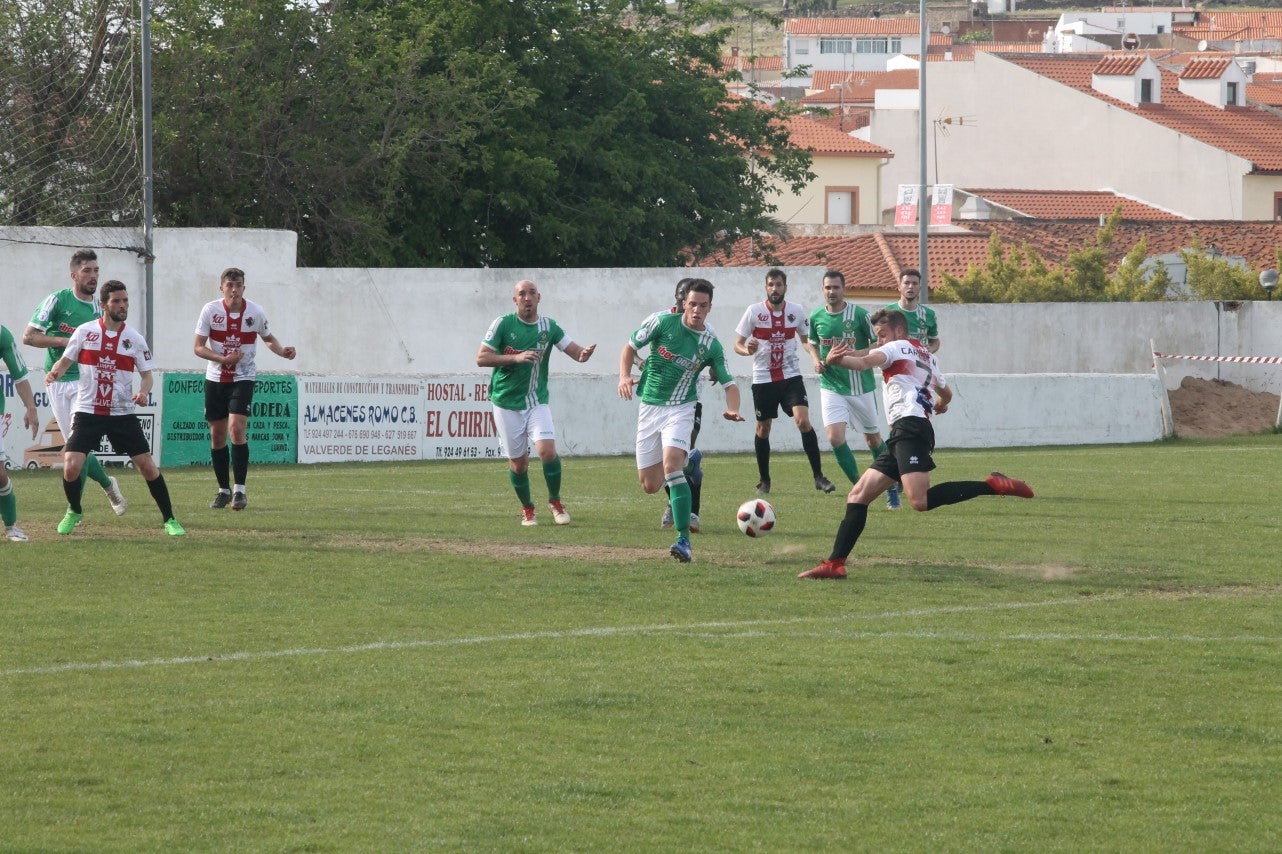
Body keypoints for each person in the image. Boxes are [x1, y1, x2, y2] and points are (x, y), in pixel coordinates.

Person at [799, 309, 1032, 579]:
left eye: (882, 335)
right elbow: (947, 393)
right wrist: (940, 403)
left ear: (899, 331)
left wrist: (837, 360)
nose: (879, 341)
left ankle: (992, 485)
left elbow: (863, 363)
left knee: (920, 500)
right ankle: (834, 564)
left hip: (910, 428)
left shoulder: (895, 347)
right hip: (906, 431)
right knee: (858, 495)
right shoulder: (929, 356)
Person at [44, 281, 185, 537]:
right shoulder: (85, 332)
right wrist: (55, 373)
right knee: (71, 465)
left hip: (121, 413)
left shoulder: (134, 339)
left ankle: (170, 519)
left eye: (125, 300)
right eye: (117, 301)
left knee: (147, 466)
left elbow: (147, 376)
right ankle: (74, 510)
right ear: (104, 305)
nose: (123, 306)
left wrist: (143, 392)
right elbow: (65, 361)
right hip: (88, 411)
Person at [620, 278, 743, 563]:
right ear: (683, 303)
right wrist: (624, 376)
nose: (697, 310)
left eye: (703, 305)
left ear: (710, 307)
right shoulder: (662, 322)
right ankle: (691, 462)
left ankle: (683, 540)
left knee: (671, 466)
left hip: (682, 408)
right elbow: (628, 348)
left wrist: (733, 408)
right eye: (692, 304)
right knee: (650, 485)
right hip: (650, 407)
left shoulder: (710, 343)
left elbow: (729, 382)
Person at [477, 279, 596, 526]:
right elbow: (482, 358)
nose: (527, 297)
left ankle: (555, 502)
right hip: (505, 403)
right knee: (519, 464)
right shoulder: (503, 324)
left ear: (539, 298)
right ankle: (527, 508)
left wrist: (583, 355)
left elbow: (575, 351)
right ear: (515, 300)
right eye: (522, 294)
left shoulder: (549, 327)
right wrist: (515, 358)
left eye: (532, 293)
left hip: (536, 401)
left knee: (547, 451)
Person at [23, 249, 129, 516]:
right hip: (58, 381)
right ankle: (108, 484)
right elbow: (29, 336)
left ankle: (74, 511)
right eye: (87, 271)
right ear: (74, 275)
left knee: (77, 447)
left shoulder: (100, 308)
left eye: (96, 271)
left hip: (86, 382)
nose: (93, 276)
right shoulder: (57, 301)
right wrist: (67, 342)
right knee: (76, 447)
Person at [193, 267, 297, 510]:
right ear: (221, 288)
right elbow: (198, 347)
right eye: (229, 285)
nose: (234, 289)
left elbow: (268, 337)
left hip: (243, 377)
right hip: (215, 378)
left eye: (238, 285)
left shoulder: (255, 312)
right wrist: (222, 359)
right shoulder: (210, 310)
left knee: (236, 429)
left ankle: (240, 490)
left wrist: (282, 351)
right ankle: (223, 490)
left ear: (244, 288)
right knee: (217, 435)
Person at [734, 268, 834, 495]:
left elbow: (806, 341)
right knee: (764, 427)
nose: (775, 289)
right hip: (763, 378)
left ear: (785, 287)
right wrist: (747, 349)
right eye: (771, 285)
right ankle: (764, 480)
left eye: (779, 285)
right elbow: (737, 344)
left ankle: (819, 477)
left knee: (803, 421)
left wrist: (815, 358)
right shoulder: (754, 311)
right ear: (766, 287)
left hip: (791, 376)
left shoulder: (796, 311)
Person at [808, 270, 901, 510]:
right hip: (831, 385)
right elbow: (812, 343)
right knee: (834, 438)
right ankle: (860, 488)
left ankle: (891, 487)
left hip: (860, 386)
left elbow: (878, 342)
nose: (832, 292)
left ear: (844, 288)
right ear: (822, 290)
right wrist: (816, 361)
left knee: (873, 439)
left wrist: (856, 354)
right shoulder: (816, 316)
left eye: (836, 287)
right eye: (828, 287)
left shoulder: (859, 315)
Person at [643, 278, 707, 534]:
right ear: (678, 297)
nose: (686, 303)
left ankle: (690, 514)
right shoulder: (658, 321)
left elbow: (712, 357)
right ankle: (677, 496)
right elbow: (633, 349)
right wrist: (639, 366)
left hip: (689, 403)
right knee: (666, 466)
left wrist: (716, 371)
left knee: (674, 459)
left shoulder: (703, 327)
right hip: (657, 403)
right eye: (682, 296)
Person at [0, 324, 39, 541]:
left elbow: (20, 376)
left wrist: (31, 407)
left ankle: (11, 526)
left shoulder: (1, 334)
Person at [885, 268, 940, 353]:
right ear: (899, 287)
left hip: (919, 360)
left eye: (914, 283)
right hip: (895, 359)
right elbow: (879, 340)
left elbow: (934, 340)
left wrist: (931, 349)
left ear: (919, 288)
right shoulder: (887, 312)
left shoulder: (929, 314)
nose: (910, 286)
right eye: (906, 283)